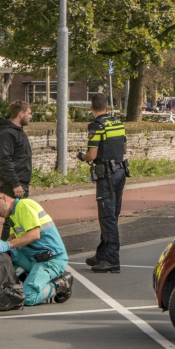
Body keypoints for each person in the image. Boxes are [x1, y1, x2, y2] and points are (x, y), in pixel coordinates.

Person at [0, 193, 72, 306]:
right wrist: (3, 244)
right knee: (3, 256)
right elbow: (13, 238)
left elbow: (34, 234)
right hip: (35, 258)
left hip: (50, 260)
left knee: (28, 297)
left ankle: (60, 285)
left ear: (4, 199)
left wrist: (8, 245)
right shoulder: (13, 215)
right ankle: (32, 279)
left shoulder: (23, 206)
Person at [75, 93, 127, 273]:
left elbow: (92, 155)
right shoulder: (118, 124)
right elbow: (124, 148)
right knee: (112, 215)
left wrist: (81, 156)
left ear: (92, 109)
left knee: (107, 218)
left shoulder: (96, 126)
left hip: (107, 176)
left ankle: (112, 261)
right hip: (120, 172)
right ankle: (102, 255)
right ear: (107, 107)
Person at [0, 100, 32, 200]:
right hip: (12, 187)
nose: (31, 116)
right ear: (21, 114)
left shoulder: (20, 133)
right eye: (29, 113)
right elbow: (5, 161)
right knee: (15, 215)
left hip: (21, 184)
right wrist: (15, 183)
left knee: (21, 215)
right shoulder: (7, 134)